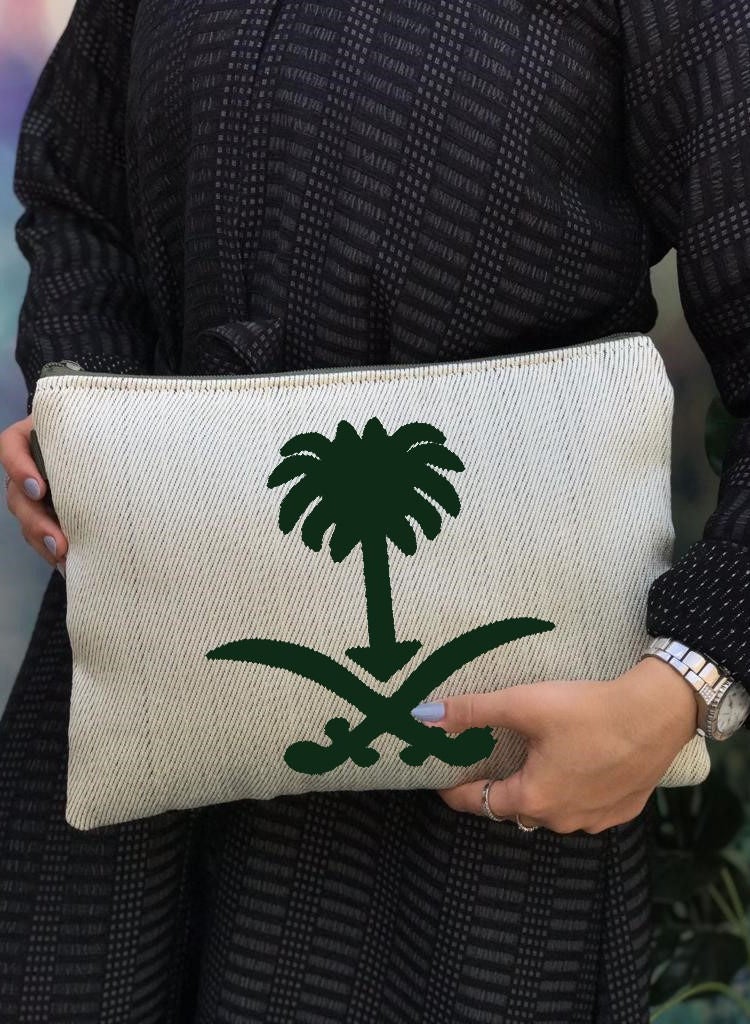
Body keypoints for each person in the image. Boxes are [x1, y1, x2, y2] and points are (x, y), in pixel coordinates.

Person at [1, 0, 749, 1020]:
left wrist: (686, 686)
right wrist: (83, 404)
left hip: (485, 817)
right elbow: (76, 193)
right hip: (138, 704)